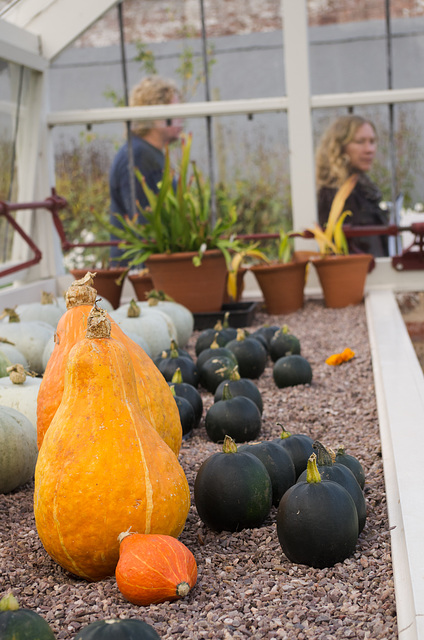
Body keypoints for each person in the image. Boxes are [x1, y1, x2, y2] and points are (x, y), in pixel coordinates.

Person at [109, 75, 183, 263]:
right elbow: (144, 226)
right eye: (176, 110)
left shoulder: (148, 153)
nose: (182, 116)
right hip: (138, 273)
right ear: (156, 116)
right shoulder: (138, 157)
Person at [315, 114, 389, 257]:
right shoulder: (336, 194)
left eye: (372, 141)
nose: (369, 149)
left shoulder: (359, 186)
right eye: (360, 142)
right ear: (340, 146)